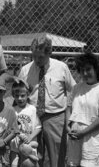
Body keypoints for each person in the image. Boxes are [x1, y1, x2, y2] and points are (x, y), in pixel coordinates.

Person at [18, 35, 76, 167]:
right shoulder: (25, 70)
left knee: (56, 157)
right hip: (32, 119)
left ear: (49, 53)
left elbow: (73, 89)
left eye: (41, 57)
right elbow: (19, 94)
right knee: (31, 156)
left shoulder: (61, 67)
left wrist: (69, 113)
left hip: (55, 118)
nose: (37, 60)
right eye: (34, 56)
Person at [66, 52, 99, 167]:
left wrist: (83, 132)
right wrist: (67, 127)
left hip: (94, 140)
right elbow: (69, 108)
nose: (85, 73)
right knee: (73, 164)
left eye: (88, 69)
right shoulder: (76, 88)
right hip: (75, 137)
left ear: (96, 69)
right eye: (82, 70)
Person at [10, 79, 41, 167]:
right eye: (17, 96)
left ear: (28, 95)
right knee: (14, 164)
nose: (20, 98)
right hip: (15, 147)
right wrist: (17, 135)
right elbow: (10, 128)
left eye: (23, 95)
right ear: (13, 96)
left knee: (29, 164)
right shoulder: (12, 110)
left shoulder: (32, 109)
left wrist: (30, 137)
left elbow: (38, 127)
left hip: (29, 146)